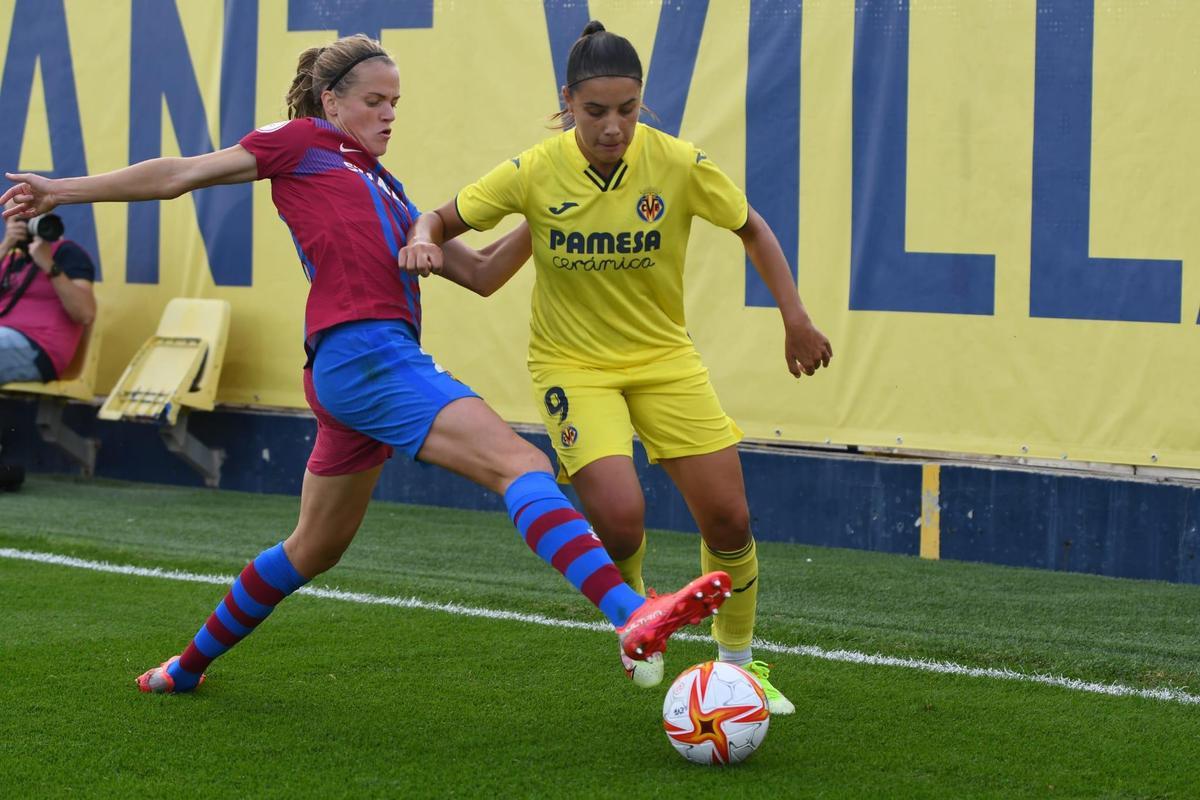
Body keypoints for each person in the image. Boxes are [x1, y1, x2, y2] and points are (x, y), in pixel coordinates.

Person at [1, 33, 731, 694]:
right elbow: (179, 174)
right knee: (523, 468)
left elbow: (477, 274)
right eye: (375, 101)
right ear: (332, 100)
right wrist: (62, 190)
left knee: (313, 547)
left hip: (358, 370)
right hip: (366, 354)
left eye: (396, 103)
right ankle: (632, 613)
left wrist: (548, 210)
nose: (389, 115)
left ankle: (183, 669)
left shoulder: (386, 186)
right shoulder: (300, 141)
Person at [398, 21, 832, 715]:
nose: (612, 127)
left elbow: (752, 227)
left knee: (729, 520)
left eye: (626, 110)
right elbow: (439, 220)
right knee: (622, 521)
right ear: (567, 101)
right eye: (596, 111)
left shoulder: (679, 163)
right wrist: (420, 241)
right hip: (573, 366)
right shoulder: (535, 169)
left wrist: (796, 317)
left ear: (641, 104)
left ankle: (739, 667)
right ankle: (639, 626)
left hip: (664, 359)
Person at [0, 206, 96, 384]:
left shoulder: (66, 253)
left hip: (41, 347)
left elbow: (85, 314)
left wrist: (48, 264)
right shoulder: (11, 258)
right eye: (15, 218)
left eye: (27, 216)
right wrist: (5, 246)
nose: (23, 224)